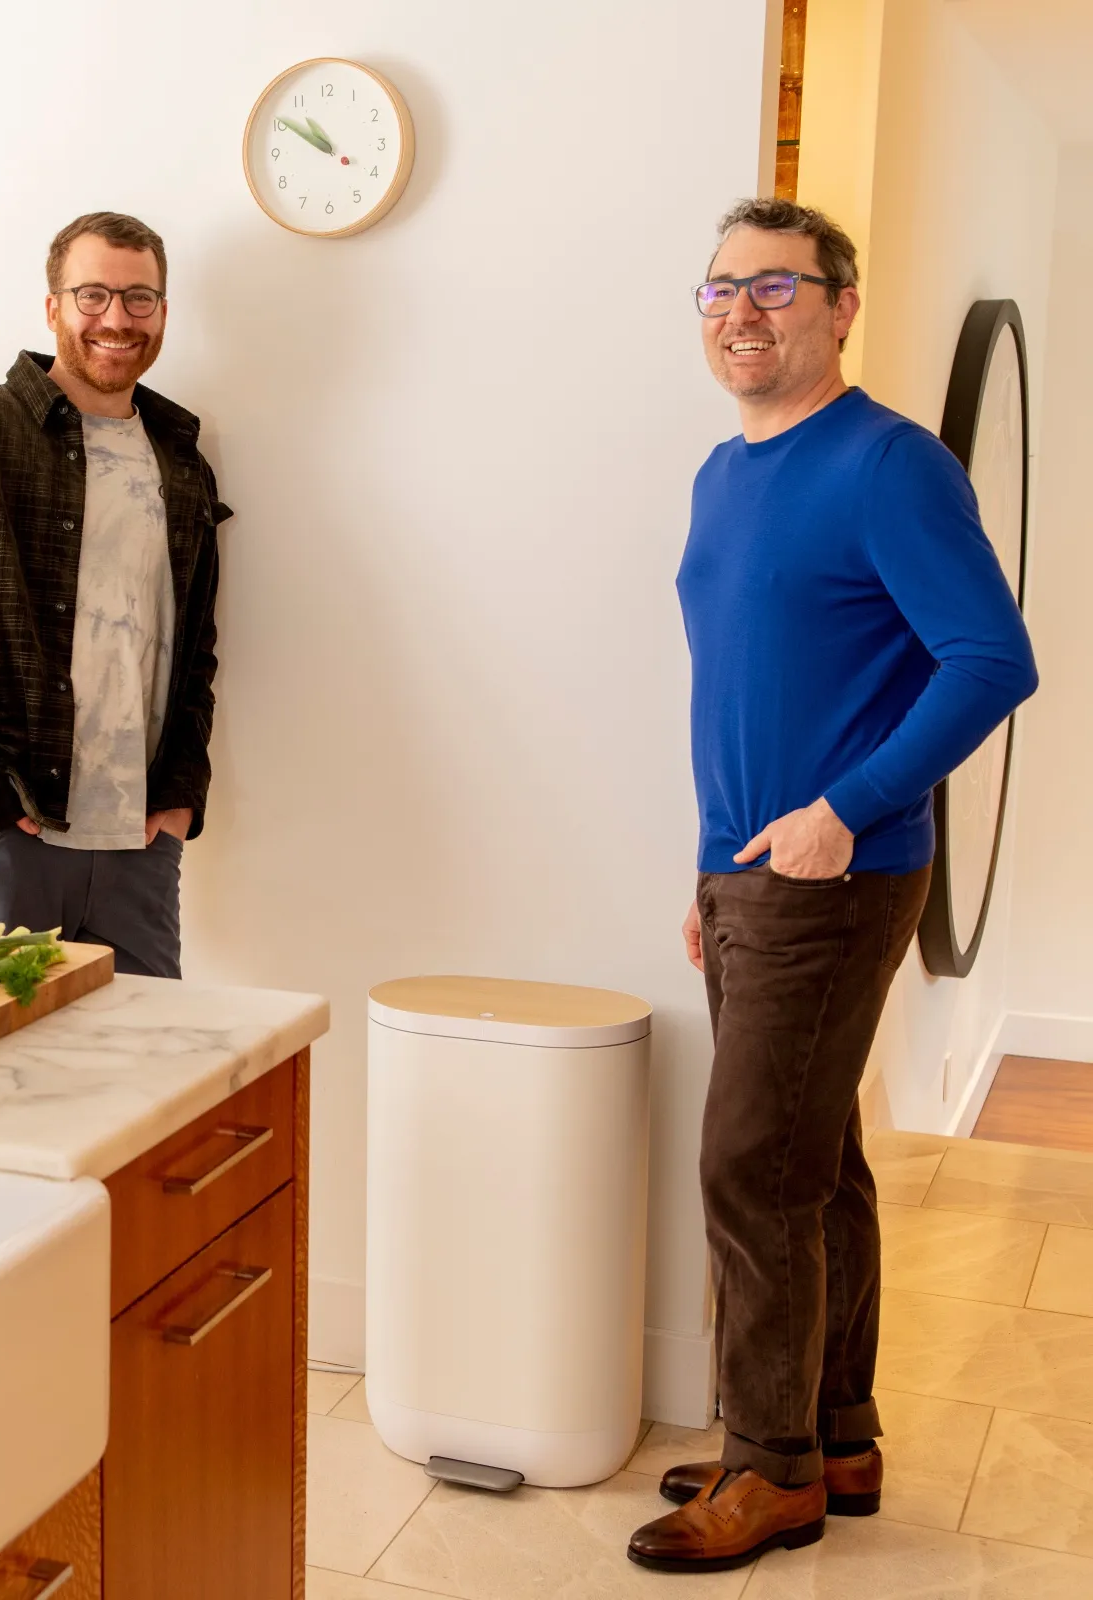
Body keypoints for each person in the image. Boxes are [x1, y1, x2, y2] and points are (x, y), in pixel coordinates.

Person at [627, 198, 1038, 1574]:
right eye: (722, 288)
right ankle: (831, 1431)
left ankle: (771, 1471)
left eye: (779, 287)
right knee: (816, 1162)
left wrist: (840, 814)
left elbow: (989, 659)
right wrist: (713, 861)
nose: (744, 311)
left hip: (837, 874)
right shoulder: (724, 469)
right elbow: (742, 679)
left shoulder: (887, 465)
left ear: (841, 308)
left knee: (750, 1167)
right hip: (746, 872)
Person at [0, 211, 227, 977]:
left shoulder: (181, 461)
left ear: (163, 312)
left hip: (138, 838)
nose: (116, 319)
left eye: (139, 298)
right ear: (53, 307)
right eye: (92, 294)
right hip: (2, 834)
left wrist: (180, 797)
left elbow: (193, 646)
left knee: (143, 1074)